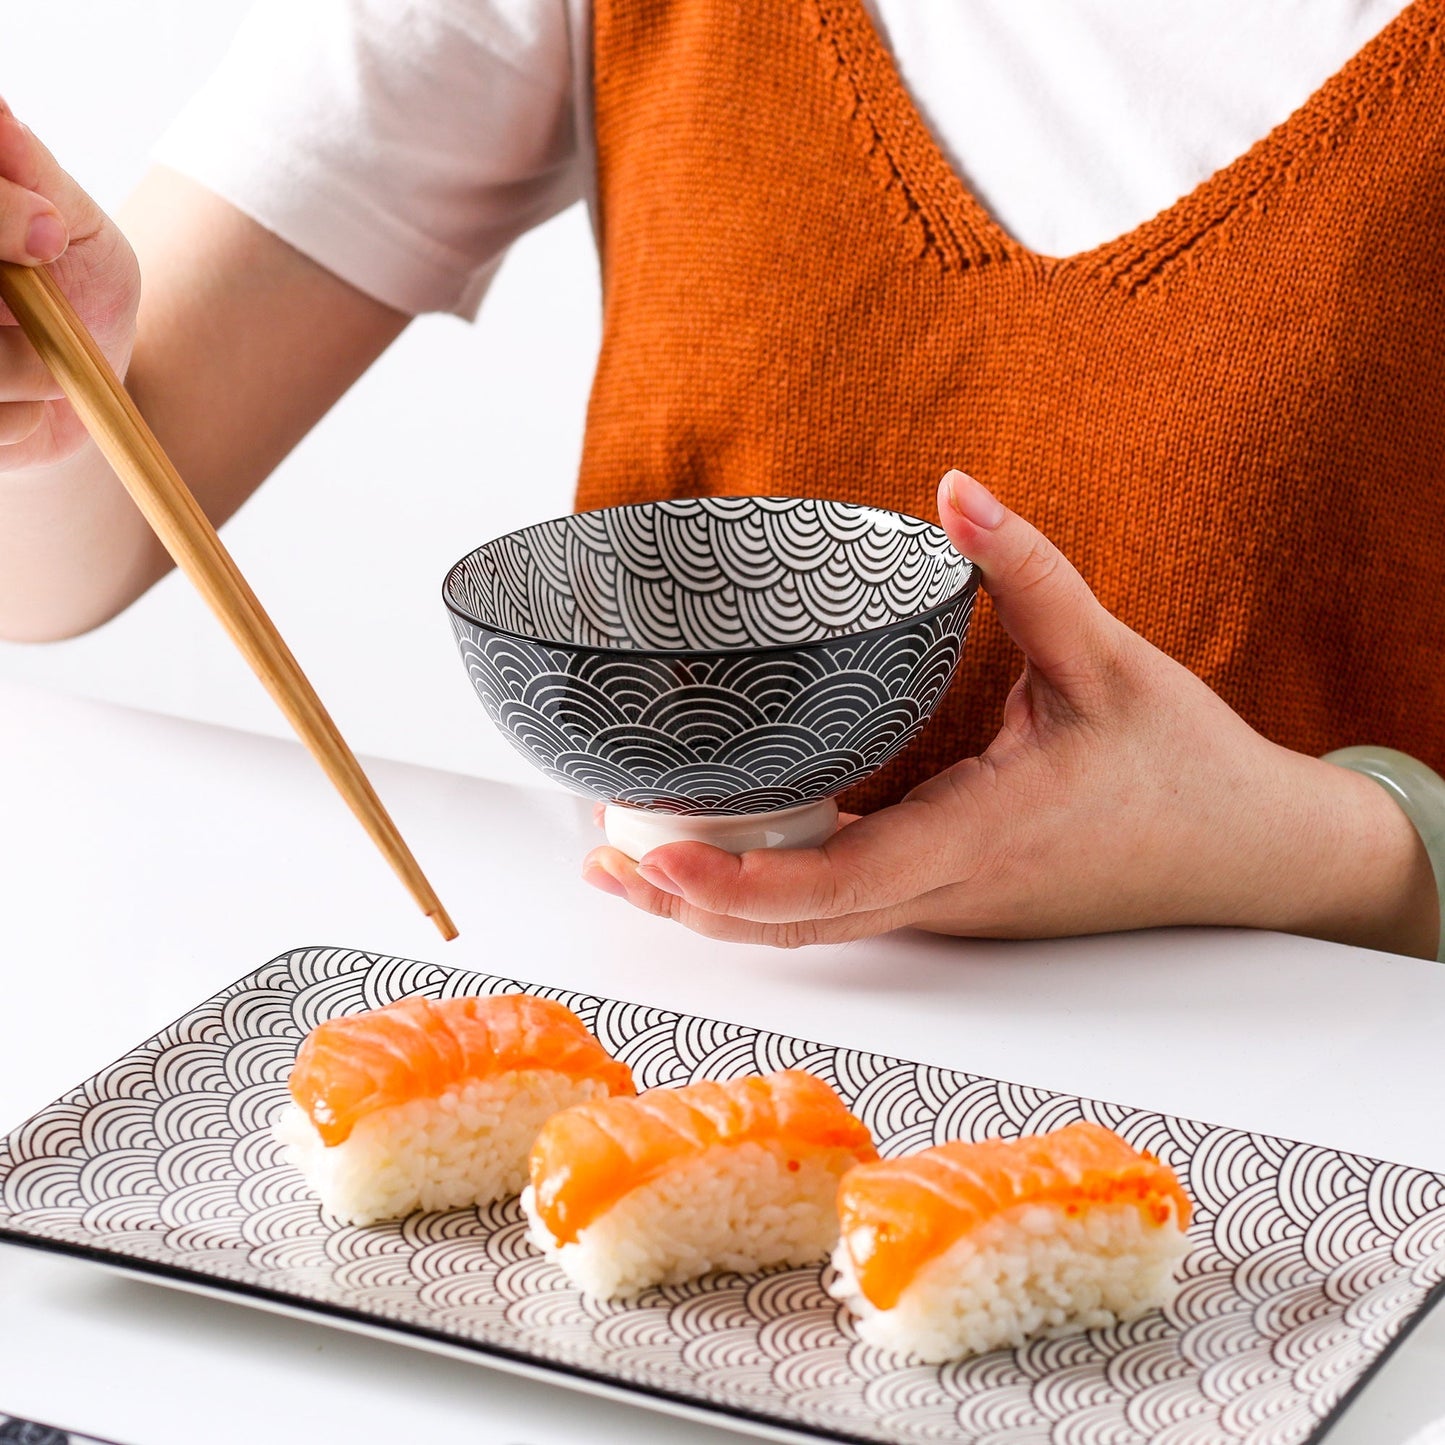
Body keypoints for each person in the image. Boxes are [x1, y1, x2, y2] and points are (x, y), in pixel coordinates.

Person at [1, 0, 1440, 959]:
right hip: (651, 1076)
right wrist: (57, 368)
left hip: (1319, 1170)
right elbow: (57, 559)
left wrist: (1323, 853)